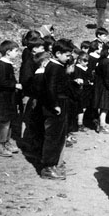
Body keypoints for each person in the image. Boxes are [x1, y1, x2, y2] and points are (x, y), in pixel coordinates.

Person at [39, 40, 73, 180]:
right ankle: (48, 167)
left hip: (60, 103)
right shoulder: (54, 67)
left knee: (59, 137)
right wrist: (55, 104)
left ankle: (54, 164)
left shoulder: (58, 66)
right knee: (53, 137)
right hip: (55, 106)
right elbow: (50, 88)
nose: (69, 58)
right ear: (58, 53)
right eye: (67, 55)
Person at [0, 40, 21, 158]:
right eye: (16, 51)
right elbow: (2, 82)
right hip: (3, 99)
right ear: (8, 52)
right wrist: (15, 85)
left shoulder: (7, 64)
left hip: (9, 98)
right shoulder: (2, 65)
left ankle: (6, 142)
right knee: (4, 122)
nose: (17, 53)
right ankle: (1, 145)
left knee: (8, 120)